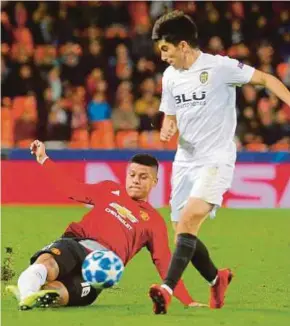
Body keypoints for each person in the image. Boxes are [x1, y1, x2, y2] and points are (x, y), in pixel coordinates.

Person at [149, 10, 290, 314]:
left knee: (188, 221)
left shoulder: (219, 67)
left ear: (183, 45)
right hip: (185, 161)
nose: (163, 57)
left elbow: (266, 79)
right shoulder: (170, 77)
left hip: (216, 159)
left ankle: (166, 290)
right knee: (182, 233)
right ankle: (217, 279)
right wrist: (167, 126)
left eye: (166, 49)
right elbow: (170, 114)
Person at [7, 140, 203, 311]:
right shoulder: (109, 189)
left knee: (59, 295)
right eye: (132, 174)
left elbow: (164, 261)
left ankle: (30, 293)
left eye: (143, 177)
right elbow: (72, 189)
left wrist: (187, 300)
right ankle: (27, 293)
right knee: (48, 264)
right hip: (77, 244)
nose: (135, 180)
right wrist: (44, 160)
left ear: (155, 181)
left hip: (103, 270)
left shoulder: (154, 221)